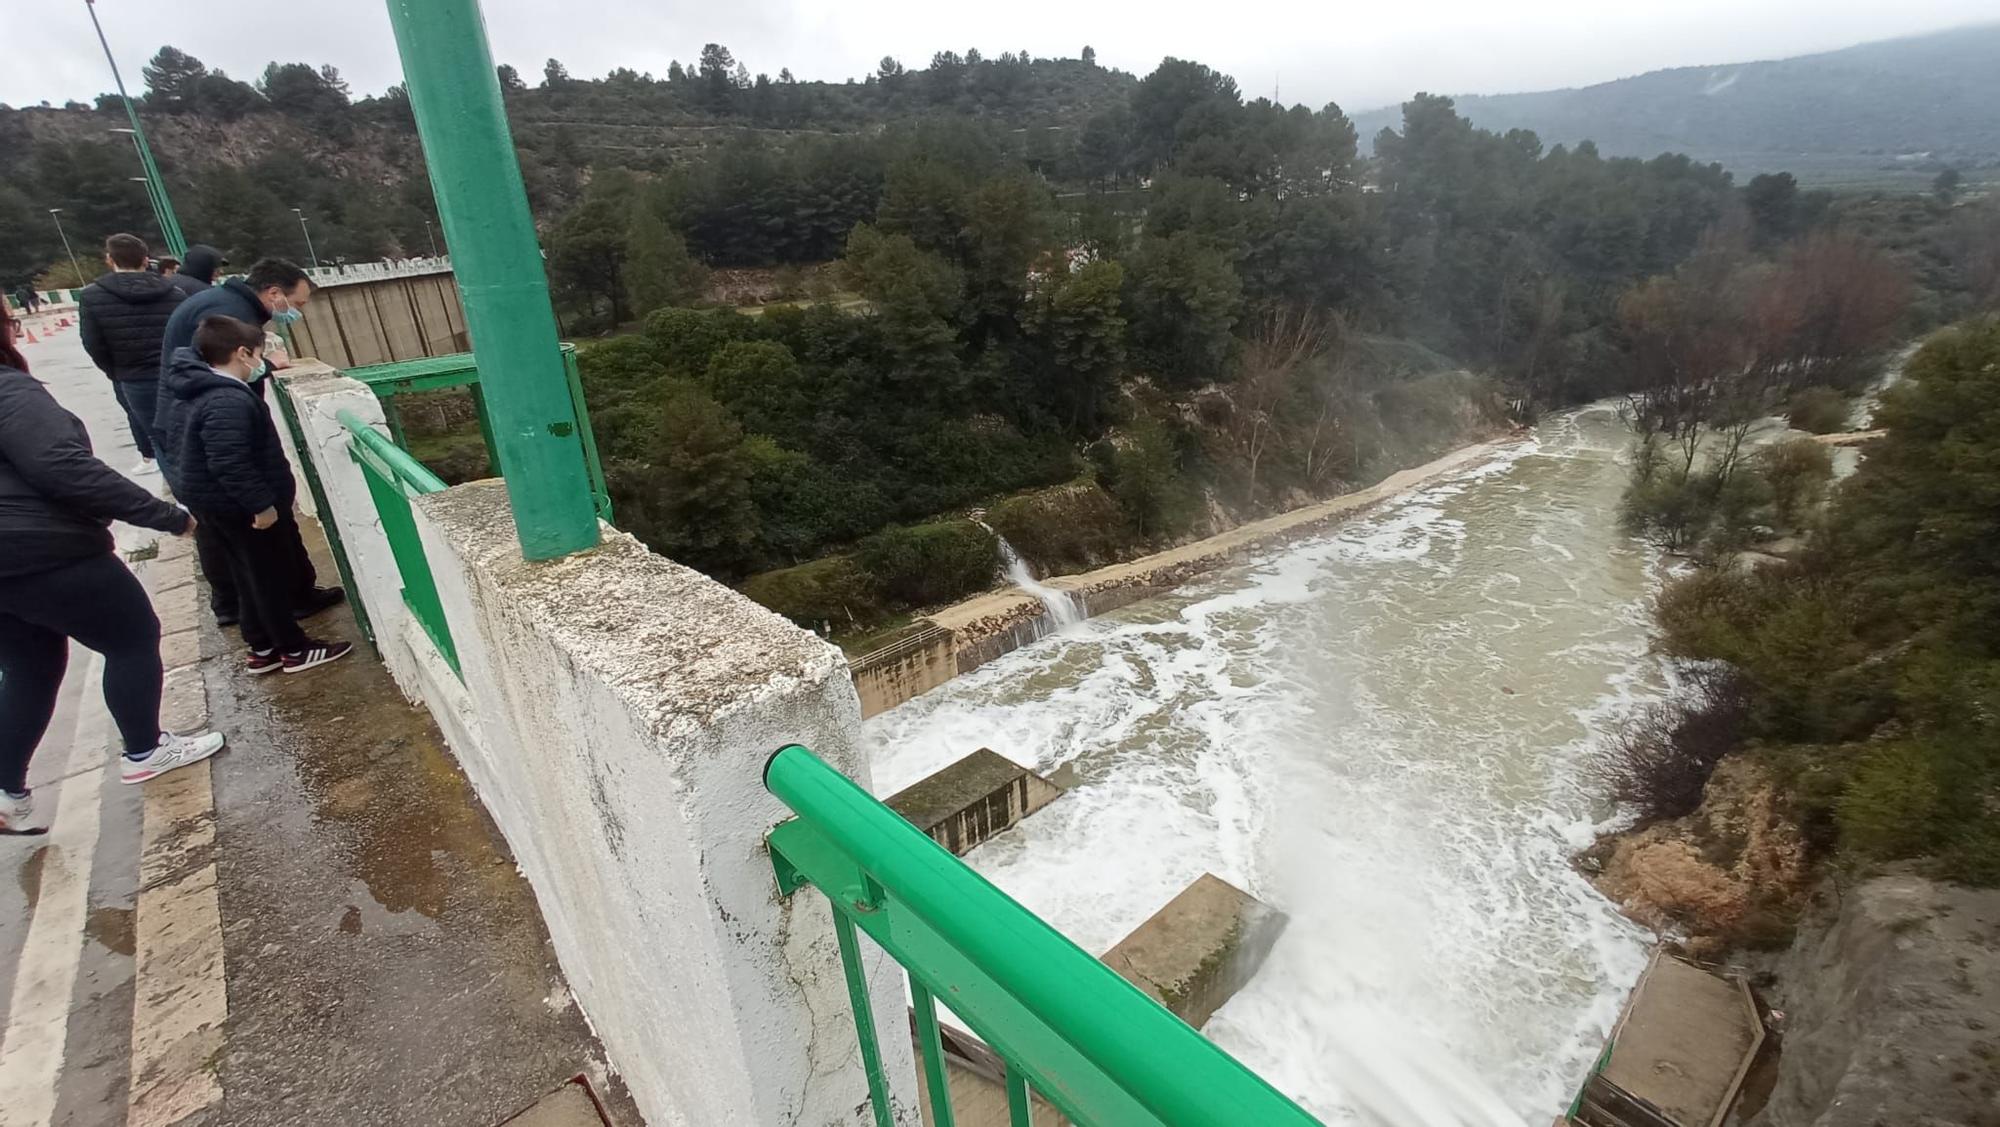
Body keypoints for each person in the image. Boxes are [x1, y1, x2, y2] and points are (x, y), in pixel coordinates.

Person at [0, 308, 226, 834]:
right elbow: (63, 466)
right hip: (42, 549)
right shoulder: (11, 392)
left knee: (30, 668)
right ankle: (145, 749)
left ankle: (7, 791)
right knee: (132, 638)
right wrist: (167, 516)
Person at [157, 317, 352, 676]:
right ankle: (293, 649)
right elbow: (229, 461)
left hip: (213, 506)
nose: (261, 363)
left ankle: (262, 647)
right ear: (242, 353)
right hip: (241, 509)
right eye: (259, 355)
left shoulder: (192, 390)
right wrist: (260, 504)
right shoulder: (226, 400)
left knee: (247, 577)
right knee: (268, 577)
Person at [78, 233, 184, 476]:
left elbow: (93, 343)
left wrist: (116, 372)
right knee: (190, 433)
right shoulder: (174, 292)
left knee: (160, 439)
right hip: (178, 371)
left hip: (135, 379)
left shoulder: (92, 296)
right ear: (146, 260)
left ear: (109, 259)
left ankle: (185, 499)